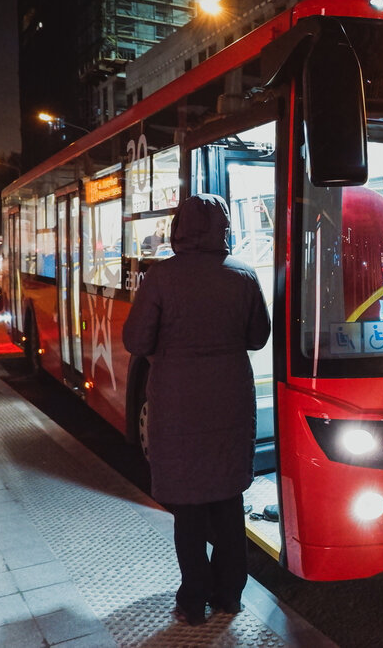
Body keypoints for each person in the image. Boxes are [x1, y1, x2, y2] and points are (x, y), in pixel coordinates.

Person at [122, 194, 271, 626]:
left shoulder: (161, 277)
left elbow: (136, 341)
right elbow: (258, 335)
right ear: (223, 227)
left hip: (177, 405)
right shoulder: (243, 275)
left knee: (187, 509)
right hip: (230, 402)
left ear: (179, 229)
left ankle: (193, 601)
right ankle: (230, 596)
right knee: (228, 505)